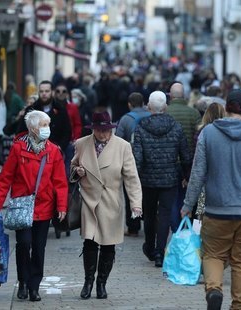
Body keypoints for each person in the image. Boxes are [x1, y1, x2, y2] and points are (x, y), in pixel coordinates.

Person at [181, 89, 241, 310]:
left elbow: (198, 173)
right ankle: (239, 305)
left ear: (227, 108)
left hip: (217, 210)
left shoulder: (209, 134)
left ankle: (214, 289)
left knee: (213, 254)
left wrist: (188, 204)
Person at [0, 110, 68, 302]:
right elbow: (5, 177)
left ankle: (34, 286)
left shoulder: (53, 150)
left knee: (39, 247)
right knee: (24, 244)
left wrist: (62, 206)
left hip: (44, 205)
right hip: (22, 206)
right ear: (33, 128)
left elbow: (60, 181)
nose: (47, 129)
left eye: (48, 125)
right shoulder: (18, 148)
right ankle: (23, 282)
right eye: (43, 125)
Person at [70, 111, 142, 300]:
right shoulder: (82, 143)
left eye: (106, 130)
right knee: (90, 242)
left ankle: (102, 283)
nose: (102, 134)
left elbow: (131, 177)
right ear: (93, 129)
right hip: (89, 200)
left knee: (109, 245)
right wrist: (77, 171)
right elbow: (72, 167)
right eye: (99, 130)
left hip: (111, 201)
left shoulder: (123, 146)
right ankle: (88, 282)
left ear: (111, 128)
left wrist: (136, 204)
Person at [132, 91, 191, 268]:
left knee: (149, 214)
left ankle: (150, 247)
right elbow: (185, 155)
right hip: (169, 178)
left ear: (149, 107)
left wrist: (136, 178)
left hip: (148, 179)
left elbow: (137, 157)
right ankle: (160, 252)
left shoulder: (141, 127)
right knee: (164, 214)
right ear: (165, 107)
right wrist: (185, 175)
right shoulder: (176, 126)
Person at [167, 82, 201, 232]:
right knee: (188, 197)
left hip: (170, 162)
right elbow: (199, 138)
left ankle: (176, 230)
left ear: (170, 95)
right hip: (190, 163)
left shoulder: (165, 112)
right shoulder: (194, 113)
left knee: (173, 198)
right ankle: (187, 228)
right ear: (184, 96)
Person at [116, 92, 150, 237]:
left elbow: (118, 140)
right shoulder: (150, 115)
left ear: (129, 104)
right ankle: (148, 222)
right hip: (150, 161)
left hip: (131, 161)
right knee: (147, 193)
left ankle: (133, 227)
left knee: (130, 191)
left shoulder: (125, 119)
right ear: (143, 103)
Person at [17, 80, 72, 154]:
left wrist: (60, 147)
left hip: (55, 150)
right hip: (34, 150)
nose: (44, 94)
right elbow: (22, 130)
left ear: (52, 92)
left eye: (47, 91)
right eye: (41, 91)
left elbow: (67, 132)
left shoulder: (61, 110)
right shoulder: (31, 110)